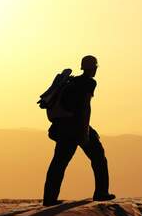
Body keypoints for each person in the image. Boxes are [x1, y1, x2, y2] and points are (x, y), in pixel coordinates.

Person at [43, 55, 115, 206]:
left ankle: (49, 198)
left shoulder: (71, 81)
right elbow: (84, 107)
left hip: (63, 127)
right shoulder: (89, 83)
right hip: (77, 126)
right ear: (93, 68)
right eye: (95, 67)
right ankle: (101, 192)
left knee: (59, 162)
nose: (95, 70)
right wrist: (85, 133)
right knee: (98, 157)